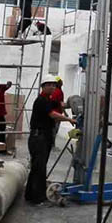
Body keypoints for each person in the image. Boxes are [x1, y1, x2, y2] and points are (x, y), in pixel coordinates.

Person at [25, 74, 76, 205]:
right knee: (40, 168)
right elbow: (53, 114)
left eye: (54, 85)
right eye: (49, 85)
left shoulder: (48, 100)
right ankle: (37, 198)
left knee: (37, 167)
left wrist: (72, 103)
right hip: (39, 138)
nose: (53, 87)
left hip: (42, 137)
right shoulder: (41, 100)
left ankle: (30, 195)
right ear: (43, 87)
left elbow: (60, 104)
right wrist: (69, 119)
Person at [50, 76, 66, 148]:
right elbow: (61, 103)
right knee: (54, 130)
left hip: (51, 113)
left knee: (51, 129)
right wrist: (65, 113)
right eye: (61, 82)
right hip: (57, 114)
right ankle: (52, 145)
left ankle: (50, 145)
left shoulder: (52, 91)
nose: (62, 83)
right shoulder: (59, 92)